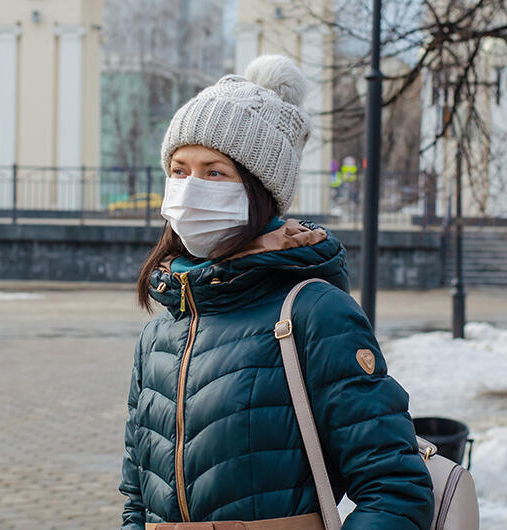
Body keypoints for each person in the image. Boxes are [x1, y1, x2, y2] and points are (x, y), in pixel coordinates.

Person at [119, 55, 434, 529]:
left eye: (215, 172)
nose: (189, 190)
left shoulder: (315, 313)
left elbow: (395, 490)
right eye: (179, 170)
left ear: (259, 190)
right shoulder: (160, 332)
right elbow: (135, 500)